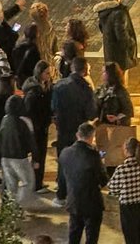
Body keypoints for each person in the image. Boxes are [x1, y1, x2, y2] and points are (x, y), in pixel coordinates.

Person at [52, 56, 99, 203]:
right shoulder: (86, 89)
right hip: (79, 132)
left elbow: (53, 107)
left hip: (63, 129)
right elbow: (91, 113)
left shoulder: (60, 85)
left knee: (63, 161)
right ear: (84, 71)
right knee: (80, 162)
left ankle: (61, 194)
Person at [58, 120, 108, 244]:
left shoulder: (65, 153)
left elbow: (62, 178)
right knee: (91, 236)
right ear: (92, 137)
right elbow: (103, 180)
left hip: (74, 201)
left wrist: (63, 195)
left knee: (74, 234)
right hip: (92, 203)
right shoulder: (93, 155)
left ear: (77, 135)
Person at [107, 136, 140, 244]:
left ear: (126, 150)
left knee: (131, 238)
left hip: (129, 209)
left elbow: (112, 188)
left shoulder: (122, 169)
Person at [0, 92, 40, 209]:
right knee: (28, 182)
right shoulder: (25, 121)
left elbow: (0, 136)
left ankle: (10, 208)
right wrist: (35, 159)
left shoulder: (4, 119)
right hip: (19, 158)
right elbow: (31, 141)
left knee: (11, 185)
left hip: (5, 157)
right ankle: (18, 205)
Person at [94, 0, 138, 80]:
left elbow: (102, 28)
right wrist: (131, 43)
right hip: (120, 53)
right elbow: (121, 34)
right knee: (121, 77)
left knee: (113, 76)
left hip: (109, 49)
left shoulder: (104, 11)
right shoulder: (119, 12)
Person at [22, 59, 53, 190]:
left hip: (42, 127)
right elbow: (31, 112)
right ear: (39, 73)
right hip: (37, 128)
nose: (49, 76)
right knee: (37, 156)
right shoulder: (33, 92)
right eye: (47, 73)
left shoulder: (43, 87)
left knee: (40, 155)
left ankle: (37, 181)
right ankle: (36, 183)